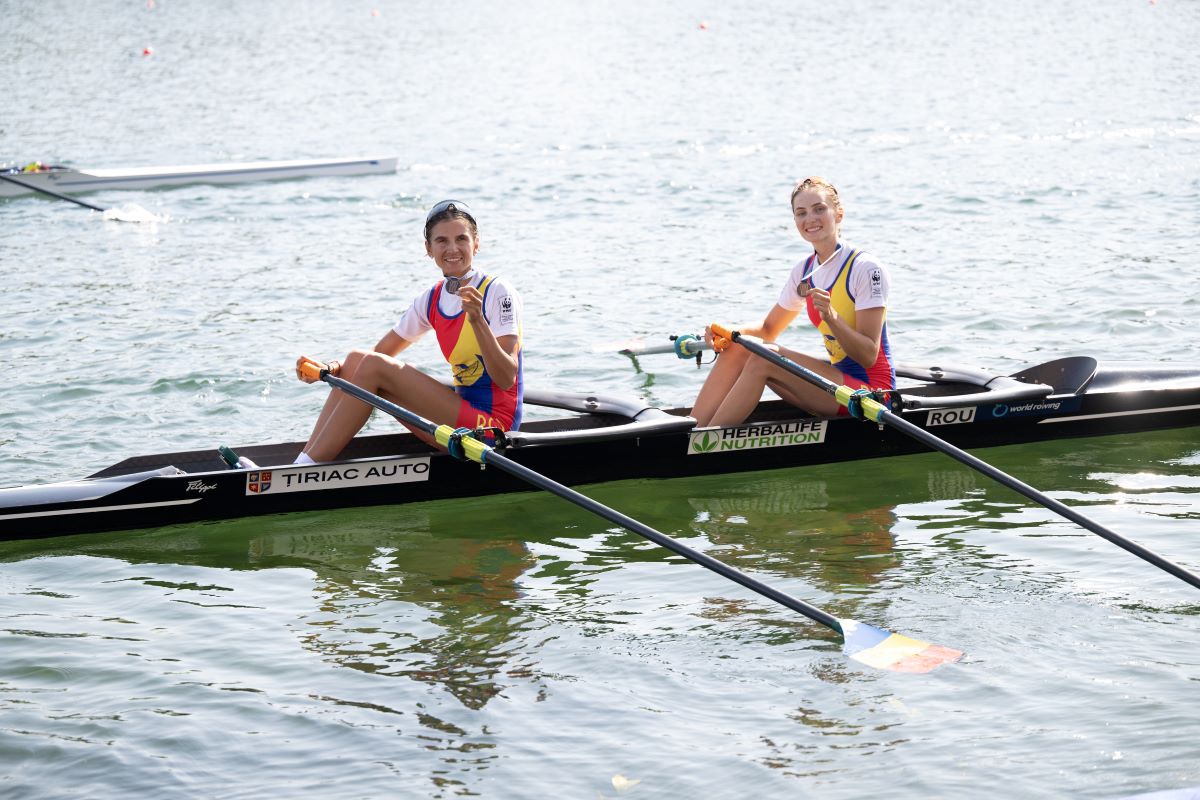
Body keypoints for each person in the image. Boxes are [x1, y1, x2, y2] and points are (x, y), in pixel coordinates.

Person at [290, 200, 524, 464]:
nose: (452, 249)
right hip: (462, 419)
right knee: (357, 358)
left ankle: (304, 468)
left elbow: (506, 378)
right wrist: (331, 368)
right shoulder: (431, 299)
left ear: (476, 244)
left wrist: (478, 321)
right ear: (428, 249)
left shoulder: (497, 292)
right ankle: (304, 460)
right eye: (442, 241)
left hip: (493, 430)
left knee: (373, 366)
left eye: (461, 239)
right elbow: (374, 357)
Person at [690, 176, 894, 427]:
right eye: (801, 213)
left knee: (764, 357)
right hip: (836, 382)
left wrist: (832, 318)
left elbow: (868, 356)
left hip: (873, 396)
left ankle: (705, 442)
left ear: (839, 214)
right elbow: (769, 330)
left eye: (819, 209)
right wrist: (727, 332)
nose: (810, 219)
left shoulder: (865, 268)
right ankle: (692, 428)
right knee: (739, 346)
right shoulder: (804, 271)